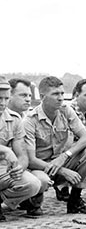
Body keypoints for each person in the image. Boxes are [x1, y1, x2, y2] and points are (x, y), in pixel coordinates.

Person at [24, 76, 86, 214]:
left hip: (61, 160)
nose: (60, 98)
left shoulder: (66, 111)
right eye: (55, 94)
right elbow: (31, 160)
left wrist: (65, 156)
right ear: (42, 96)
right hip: (41, 167)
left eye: (62, 93)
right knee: (42, 180)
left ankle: (75, 201)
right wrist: (62, 170)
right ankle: (31, 201)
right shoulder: (30, 120)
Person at [0, 76, 48, 221]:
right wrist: (6, 150)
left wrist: (18, 168)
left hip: (2, 170)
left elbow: (22, 155)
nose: (2, 103)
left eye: (6, 98)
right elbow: (10, 151)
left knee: (33, 183)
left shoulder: (14, 119)